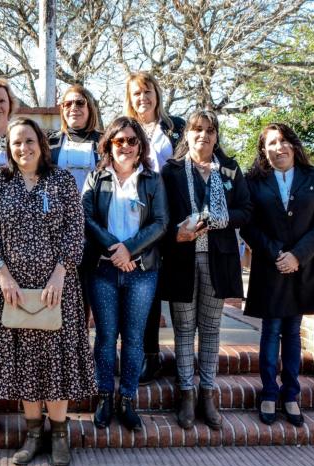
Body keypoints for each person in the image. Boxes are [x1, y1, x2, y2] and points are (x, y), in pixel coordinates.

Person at [0, 117, 97, 466]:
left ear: (41, 143)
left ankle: (58, 434)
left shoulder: (62, 182)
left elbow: (75, 232)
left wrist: (59, 275)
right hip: (11, 293)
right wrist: (3, 276)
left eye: (28, 140)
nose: (22, 148)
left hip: (57, 291)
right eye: (16, 143)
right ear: (9, 148)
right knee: (24, 361)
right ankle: (33, 433)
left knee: (54, 360)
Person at [158, 110, 251, 431]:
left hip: (219, 259)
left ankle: (207, 395)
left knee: (210, 330)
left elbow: (246, 210)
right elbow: (161, 217)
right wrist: (177, 231)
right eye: (198, 130)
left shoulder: (230, 169)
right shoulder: (170, 171)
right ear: (187, 135)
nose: (204, 136)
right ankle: (186, 394)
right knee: (184, 330)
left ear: (216, 136)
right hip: (181, 259)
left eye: (210, 130)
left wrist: (220, 218)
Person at [241, 123, 314, 428]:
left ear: (292, 144)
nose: (277, 148)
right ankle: (268, 393)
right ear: (263, 151)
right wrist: (277, 253)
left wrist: (297, 255)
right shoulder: (253, 181)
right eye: (270, 144)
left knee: (292, 333)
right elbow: (248, 225)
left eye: (282, 141)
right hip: (270, 267)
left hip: (303, 267)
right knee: (270, 331)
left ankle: (291, 395)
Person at [81, 116, 168, 432]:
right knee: (105, 337)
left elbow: (160, 223)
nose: (126, 146)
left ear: (141, 146)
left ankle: (127, 399)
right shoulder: (96, 178)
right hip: (103, 269)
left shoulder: (152, 180)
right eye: (120, 140)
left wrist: (129, 250)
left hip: (142, 271)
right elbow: (86, 219)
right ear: (109, 144)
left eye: (133, 141)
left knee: (133, 339)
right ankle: (105, 396)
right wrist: (114, 249)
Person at [124, 71, 186, 384]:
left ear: (156, 94)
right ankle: (149, 355)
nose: (143, 98)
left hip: (173, 217)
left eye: (147, 92)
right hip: (140, 220)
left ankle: (184, 357)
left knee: (171, 289)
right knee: (143, 291)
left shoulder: (176, 128)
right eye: (136, 93)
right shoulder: (126, 129)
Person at [49, 84, 102, 191]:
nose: (73, 108)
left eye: (80, 103)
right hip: (59, 206)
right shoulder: (50, 142)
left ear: (90, 108)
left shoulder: (104, 142)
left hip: (95, 206)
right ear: (62, 110)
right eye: (68, 104)